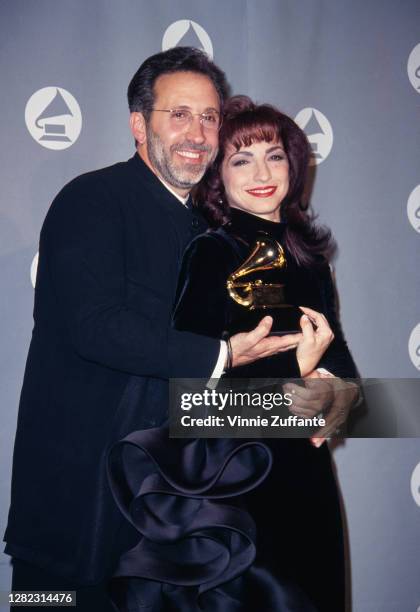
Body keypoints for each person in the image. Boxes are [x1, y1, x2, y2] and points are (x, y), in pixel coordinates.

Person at [3, 50, 307, 611]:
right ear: (140, 125)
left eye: (210, 117)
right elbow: (94, 328)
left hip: (171, 527)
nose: (197, 133)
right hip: (79, 518)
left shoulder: (218, 235)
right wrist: (222, 354)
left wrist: (325, 407)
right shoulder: (92, 199)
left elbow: (219, 395)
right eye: (179, 114)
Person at [106, 97, 359, 611]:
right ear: (219, 175)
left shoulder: (311, 261)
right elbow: (188, 392)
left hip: (307, 479)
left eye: (275, 155)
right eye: (241, 159)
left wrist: (333, 399)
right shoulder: (212, 252)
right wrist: (298, 371)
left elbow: (343, 362)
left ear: (294, 163)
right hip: (237, 485)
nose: (261, 173)